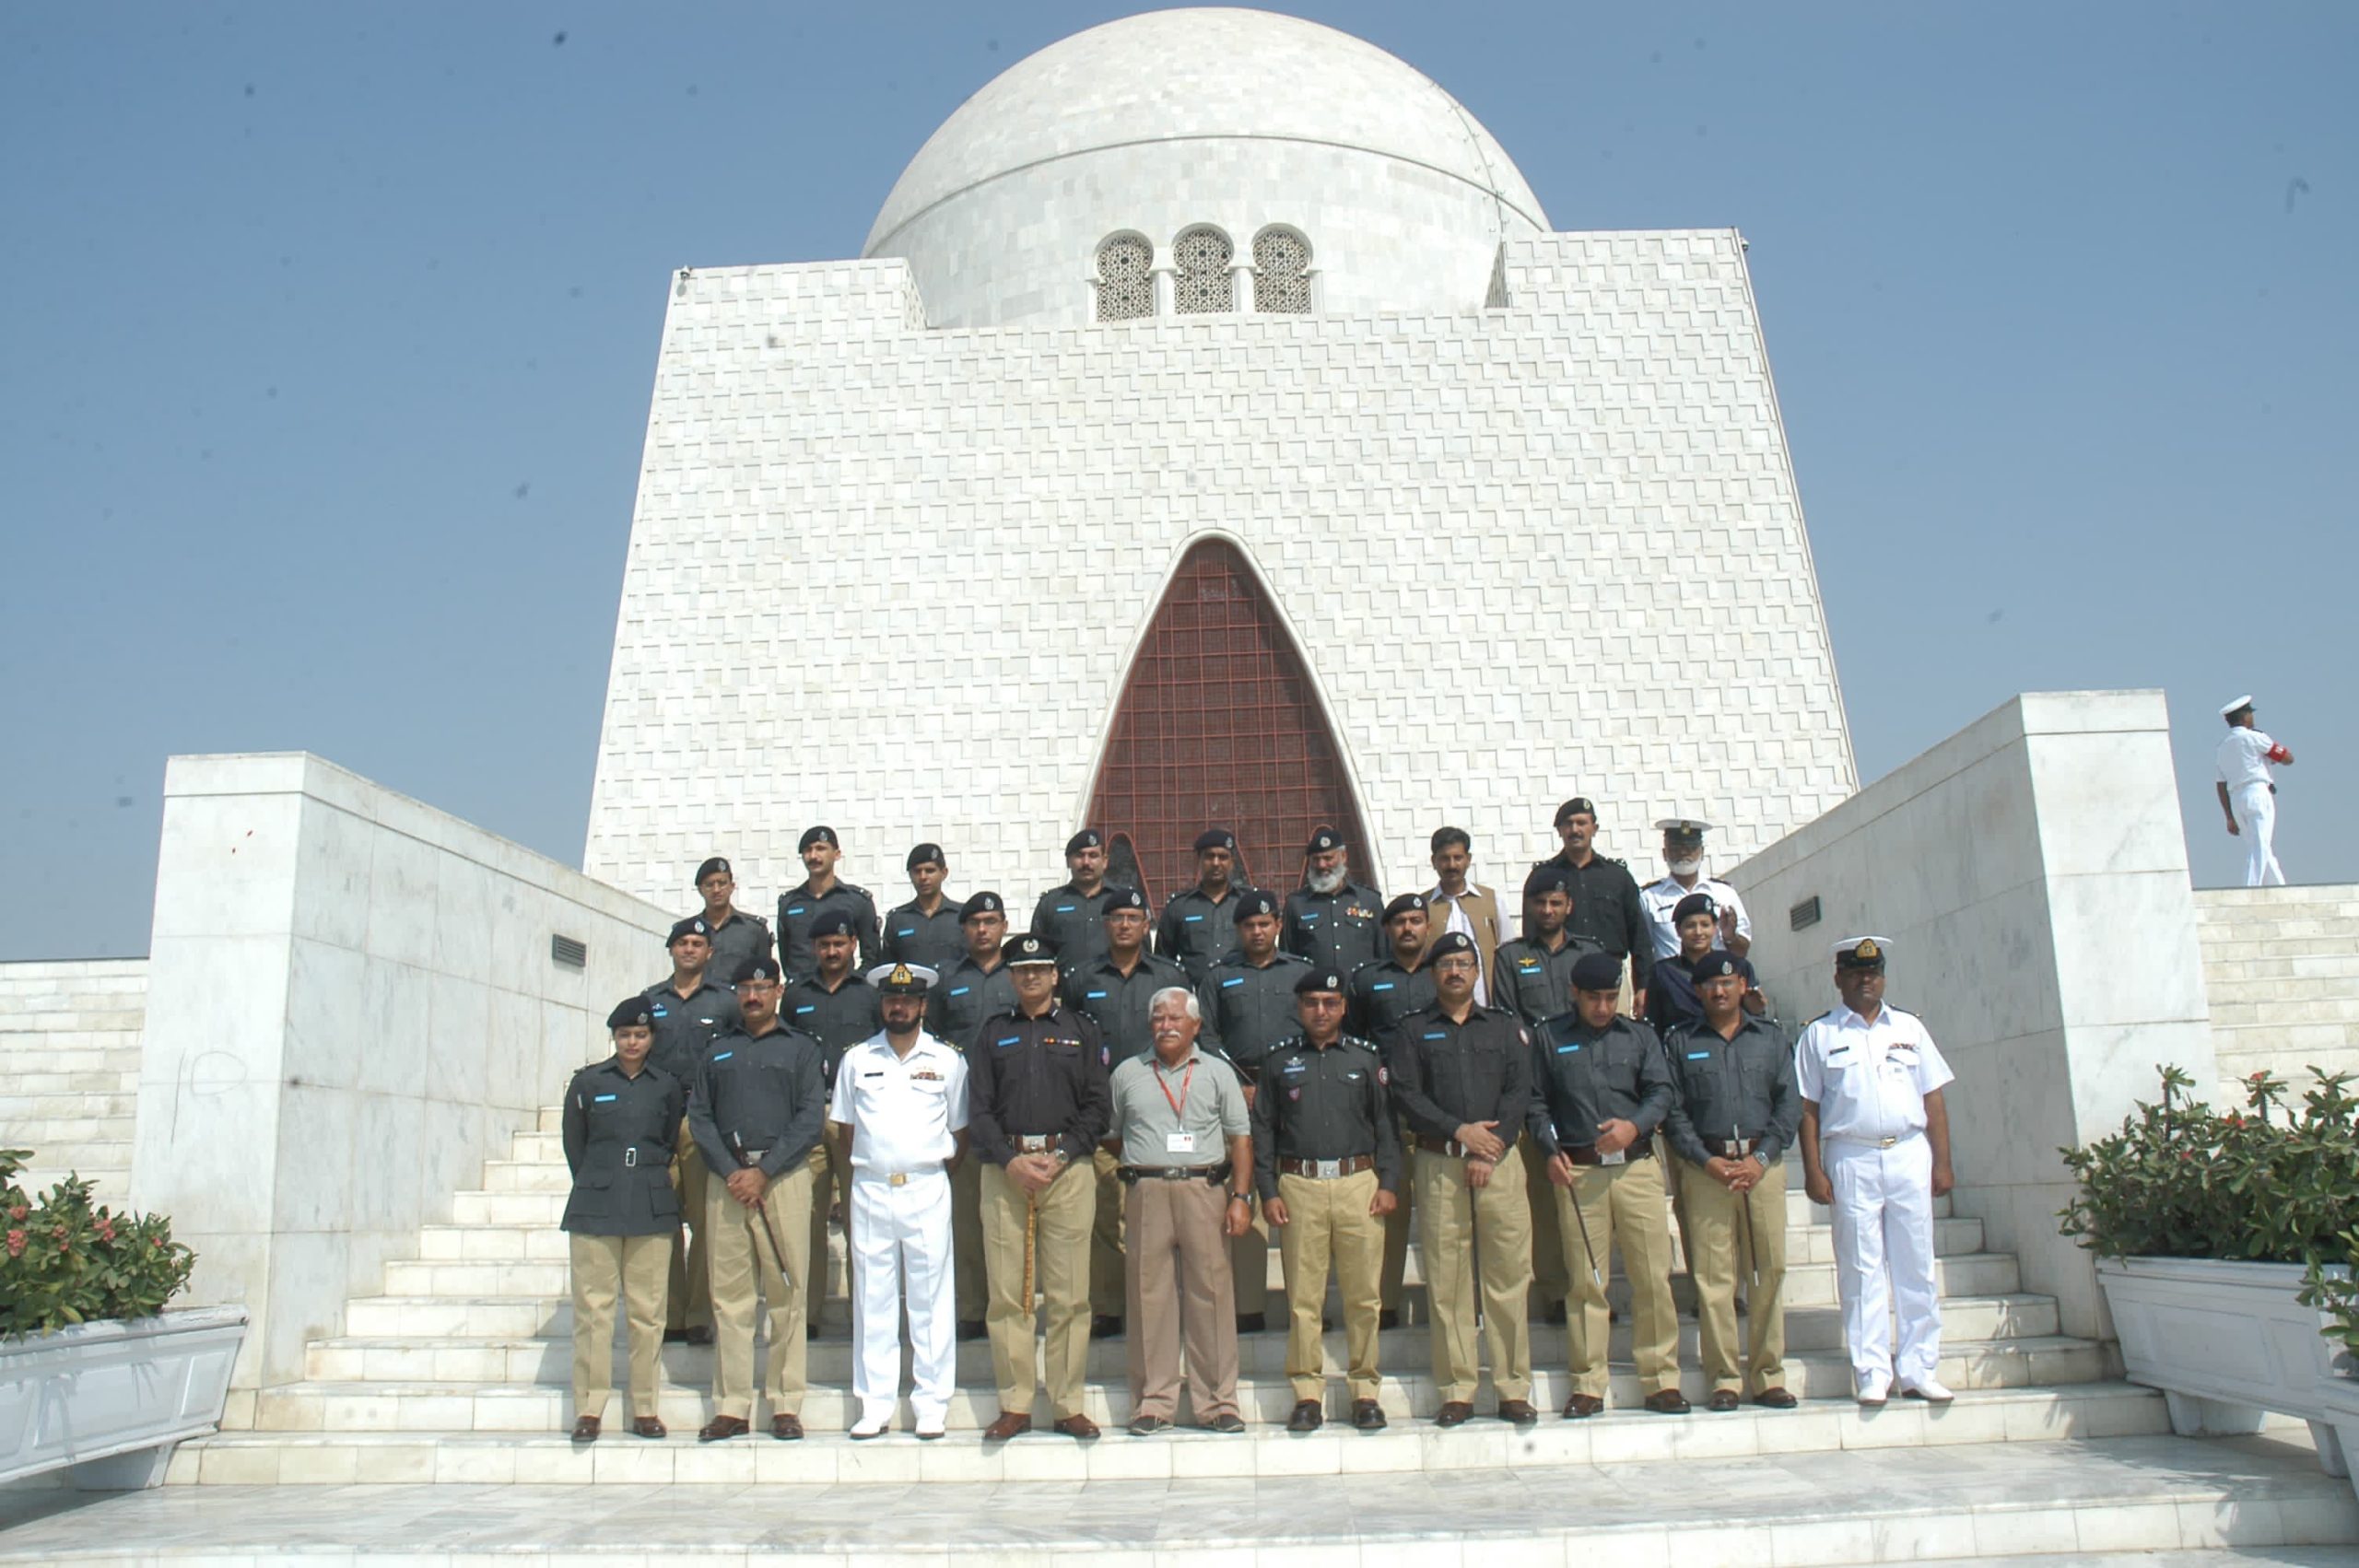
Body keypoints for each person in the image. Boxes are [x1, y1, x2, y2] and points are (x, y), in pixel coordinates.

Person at [1795, 937, 1957, 1407]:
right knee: (1861, 1267)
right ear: (1838, 979)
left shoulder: (1909, 1028)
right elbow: (1807, 1108)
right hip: (1851, 1154)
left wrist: (1943, 1161)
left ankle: (1919, 1369)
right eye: (1855, 973)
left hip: (1908, 1151)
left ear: (1883, 977)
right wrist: (1813, 1169)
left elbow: (1933, 1098)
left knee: (1916, 1264)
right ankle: (1871, 1371)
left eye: (1873, 973)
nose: (1865, 981)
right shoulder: (1820, 1035)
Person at [1385, 931, 1538, 1427]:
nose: (1455, 972)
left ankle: (1513, 1387)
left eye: (1464, 963)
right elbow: (1407, 1093)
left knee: (1507, 1275)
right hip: (1440, 1162)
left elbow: (1519, 1090)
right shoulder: (1413, 1030)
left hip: (1500, 1161)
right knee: (1447, 1280)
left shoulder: (1505, 1027)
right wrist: (1460, 1131)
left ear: (1477, 972)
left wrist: (1490, 1146)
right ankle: (1457, 1388)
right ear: (1433, 974)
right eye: (1446, 964)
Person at [1527, 952, 1687, 1417]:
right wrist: (1548, 1149)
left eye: (1610, 997)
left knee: (1652, 1277)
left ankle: (1660, 1379)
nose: (1602, 1007)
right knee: (1585, 1282)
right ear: (1574, 994)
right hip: (1579, 1171)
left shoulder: (1639, 1036)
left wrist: (1634, 1127)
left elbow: (1662, 1091)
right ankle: (1588, 1383)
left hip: (1635, 1167)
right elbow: (1535, 1102)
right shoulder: (1550, 1037)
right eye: (1593, 998)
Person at [968, 933, 1111, 1441]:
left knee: (1070, 1295)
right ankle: (1016, 1403)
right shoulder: (993, 1033)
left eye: (1040, 969)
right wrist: (1010, 1161)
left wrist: (1062, 1154)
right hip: (1005, 1172)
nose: (1031, 977)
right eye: (1022, 971)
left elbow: (1098, 1105)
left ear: (1054, 975)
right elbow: (978, 1109)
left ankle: (1067, 1403)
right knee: (1009, 1295)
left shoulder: (1081, 1031)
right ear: (1011, 978)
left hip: (1066, 1171)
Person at [1252, 966, 1402, 1432]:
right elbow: (1263, 1131)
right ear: (1299, 1008)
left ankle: (1365, 1390)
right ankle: (1307, 1392)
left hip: (1359, 1184)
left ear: (1344, 1008)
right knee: (1304, 1299)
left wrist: (1388, 1183)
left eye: (1330, 1003)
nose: (1321, 1011)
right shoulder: (1279, 1061)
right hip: (1300, 1186)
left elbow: (1386, 1126)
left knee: (1364, 1296)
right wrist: (1268, 1190)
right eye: (1312, 1003)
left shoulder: (1365, 1058)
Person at [687, 956, 827, 1441]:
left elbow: (810, 1118)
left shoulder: (801, 1049)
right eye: (745, 987)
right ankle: (732, 1406)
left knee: (788, 1294)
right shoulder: (717, 1050)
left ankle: (785, 1404)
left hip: (782, 1179)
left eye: (762, 987)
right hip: (727, 1182)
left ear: (779, 991)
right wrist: (733, 1172)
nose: (753, 996)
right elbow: (700, 1117)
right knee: (730, 1298)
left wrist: (764, 1172)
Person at [827, 962, 968, 1439]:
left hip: (927, 1186)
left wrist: (924, 1168)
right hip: (871, 1187)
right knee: (873, 1298)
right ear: (882, 1004)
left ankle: (932, 1402)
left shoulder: (947, 1060)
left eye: (908, 1000)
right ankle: (875, 1403)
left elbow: (960, 1130)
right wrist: (880, 1166)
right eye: (891, 999)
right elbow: (846, 1129)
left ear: (923, 1005)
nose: (899, 1006)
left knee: (931, 1297)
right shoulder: (857, 1059)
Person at [1106, 986, 1254, 1435]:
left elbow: (1240, 1139)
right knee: (1148, 1295)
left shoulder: (1218, 1073)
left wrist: (1240, 1197)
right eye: (1158, 1018)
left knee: (1211, 1293)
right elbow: (1113, 1135)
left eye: (1175, 1018)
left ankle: (1218, 1402)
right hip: (1147, 1190)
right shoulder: (1128, 1073)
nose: (1166, 1026)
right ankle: (1153, 1401)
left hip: (1203, 1189)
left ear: (1196, 1025)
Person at [1661, 953, 1801, 1411]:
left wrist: (1761, 1158)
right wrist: (1705, 1161)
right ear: (1697, 991)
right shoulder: (1680, 1041)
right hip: (1707, 1170)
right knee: (1712, 1278)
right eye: (1709, 985)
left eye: (1728, 983)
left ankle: (1768, 1374)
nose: (1719, 992)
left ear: (1743, 986)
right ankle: (1723, 1378)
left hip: (1762, 1167)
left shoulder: (1771, 1038)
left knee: (1768, 1271)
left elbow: (1789, 1104)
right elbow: (1673, 1111)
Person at [1064, 885, 1191, 1337]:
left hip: (1159, 1109)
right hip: (1101, 1110)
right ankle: (1109, 1306)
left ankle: (1161, 1303)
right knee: (1105, 1213)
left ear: (1145, 925)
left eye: (1133, 918)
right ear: (1105, 925)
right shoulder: (1082, 978)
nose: (1124, 925)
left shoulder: (1169, 976)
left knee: (1162, 1213)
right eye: (1116, 918)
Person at [561, 997, 685, 1442]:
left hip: (649, 1203)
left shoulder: (666, 1086)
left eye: (641, 1035)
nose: (632, 1042)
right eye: (625, 1035)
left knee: (647, 1313)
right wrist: (599, 1180)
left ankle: (645, 1407)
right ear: (614, 1037)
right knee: (593, 1312)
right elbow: (575, 1144)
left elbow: (668, 1140)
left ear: (652, 1038)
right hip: (596, 1203)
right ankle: (589, 1407)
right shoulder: (589, 1082)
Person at [1195, 887, 1311, 1331]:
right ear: (1238, 929)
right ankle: (1248, 1307)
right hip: (1238, 1094)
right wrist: (1236, 1086)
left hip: (1295, 1093)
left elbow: (1316, 1028)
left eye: (1265, 924)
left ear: (1278, 925)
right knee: (1243, 1192)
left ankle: (1307, 1304)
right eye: (1249, 925)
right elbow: (1207, 1037)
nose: (1258, 931)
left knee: (1299, 1196)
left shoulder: (1301, 972)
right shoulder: (1219, 976)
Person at [1490, 863, 1598, 1328]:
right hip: (1535, 1084)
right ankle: (1555, 1289)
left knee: (1589, 1191)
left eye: (1556, 902)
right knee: (1544, 1190)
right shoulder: (1511, 957)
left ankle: (1591, 1287)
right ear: (1529, 908)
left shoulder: (1589, 953)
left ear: (1569, 906)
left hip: (1584, 1086)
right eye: (1540, 903)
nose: (1548, 910)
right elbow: (1509, 1019)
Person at [782, 910, 883, 1330]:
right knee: (806, 1221)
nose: (832, 951)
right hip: (808, 1116)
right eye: (824, 945)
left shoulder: (870, 992)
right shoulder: (796, 994)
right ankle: (805, 1315)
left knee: (862, 1220)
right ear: (813, 948)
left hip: (857, 1118)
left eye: (839, 944)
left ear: (853, 945)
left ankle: (864, 1317)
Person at [642, 918, 739, 1345]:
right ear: (671, 949)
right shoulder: (651, 1001)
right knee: (663, 1220)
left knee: (703, 1221)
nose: (688, 949)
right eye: (681, 942)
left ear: (710, 952)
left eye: (697, 943)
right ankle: (671, 1314)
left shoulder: (726, 1002)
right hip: (659, 1122)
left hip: (703, 1123)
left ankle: (699, 1314)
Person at [925, 889, 1015, 1339]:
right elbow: (933, 1039)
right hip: (960, 1113)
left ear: (1004, 927)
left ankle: (1010, 1305)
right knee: (965, 1217)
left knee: (1008, 1220)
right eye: (975, 922)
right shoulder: (947, 979)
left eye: (991, 922)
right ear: (963, 929)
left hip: (1012, 1109)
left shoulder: (1018, 974)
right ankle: (973, 1308)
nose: (983, 929)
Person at [1349, 893, 1437, 1328]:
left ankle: (1446, 1304)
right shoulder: (1368, 979)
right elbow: (1354, 1040)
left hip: (1438, 1110)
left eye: (1416, 920)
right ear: (1386, 929)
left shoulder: (1445, 972)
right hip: (1386, 1111)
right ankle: (1385, 1303)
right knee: (1389, 1209)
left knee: (1443, 1216)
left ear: (1428, 927)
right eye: (1400, 922)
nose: (1408, 928)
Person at [1541, 798, 1654, 1016]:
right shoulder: (1544, 877)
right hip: (1562, 978)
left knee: (1617, 1036)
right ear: (1559, 831)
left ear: (1594, 828)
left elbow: (1639, 937)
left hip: (1611, 978)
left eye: (1582, 823)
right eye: (1568, 824)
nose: (1575, 830)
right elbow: (1532, 937)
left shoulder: (1617, 876)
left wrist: (1644, 986)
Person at [1645, 893, 1766, 1039]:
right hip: (1683, 1046)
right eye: (1690, 926)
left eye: (1705, 925)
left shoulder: (1738, 967)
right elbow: (1654, 1026)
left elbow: (1757, 1021)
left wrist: (1755, 1008)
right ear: (1678, 930)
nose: (1698, 932)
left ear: (1715, 928)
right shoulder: (1663, 973)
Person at [776, 826, 881, 981]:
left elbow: (872, 957)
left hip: (844, 991)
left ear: (837, 854)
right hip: (801, 990)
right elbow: (786, 958)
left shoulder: (857, 901)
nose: (813, 856)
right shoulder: (789, 903)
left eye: (821, 848)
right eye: (807, 850)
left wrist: (854, 985)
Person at [1638, 819, 1752, 961]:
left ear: (1702, 852)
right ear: (1664, 853)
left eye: (1691, 847)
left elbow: (1742, 951)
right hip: (1671, 974)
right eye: (1675, 847)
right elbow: (1641, 950)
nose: (1683, 852)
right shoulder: (1650, 897)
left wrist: (1730, 938)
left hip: (1716, 974)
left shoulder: (1724, 893)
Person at [1283, 825, 1385, 977]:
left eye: (1328, 858)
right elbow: (1288, 959)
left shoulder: (1370, 900)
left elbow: (1384, 954)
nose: (1321, 865)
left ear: (1343, 856)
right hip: (1315, 991)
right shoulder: (1296, 904)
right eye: (1316, 859)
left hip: (1361, 990)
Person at [1424, 827, 1509, 1005]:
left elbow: (1508, 952)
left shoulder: (1491, 901)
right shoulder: (1423, 907)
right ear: (1434, 861)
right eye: (1445, 859)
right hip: (1437, 1007)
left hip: (1488, 1006)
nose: (1452, 865)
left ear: (1468, 859)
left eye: (1458, 858)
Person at [2216, 696, 2294, 888]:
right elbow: (2288, 758)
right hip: (2257, 793)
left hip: (2236, 800)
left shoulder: (2222, 747)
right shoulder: (2255, 737)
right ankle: (2250, 889)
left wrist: (2229, 816)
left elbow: (2220, 784)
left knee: (2261, 846)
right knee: (2260, 845)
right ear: (2245, 717)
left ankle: (2280, 889)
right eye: (2250, 714)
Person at [1156, 828, 1251, 983]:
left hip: (1241, 990)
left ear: (1232, 862)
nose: (1216, 863)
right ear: (1199, 860)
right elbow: (1163, 961)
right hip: (1194, 992)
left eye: (1223, 857)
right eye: (1209, 856)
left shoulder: (1247, 903)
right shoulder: (1179, 907)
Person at [1033, 828, 1123, 977]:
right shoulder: (1050, 903)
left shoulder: (1122, 901)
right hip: (1064, 988)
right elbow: (1037, 954)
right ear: (1068, 861)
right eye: (1079, 856)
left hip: (1115, 986)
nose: (1086, 862)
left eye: (1093, 855)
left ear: (1105, 861)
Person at [883, 843, 968, 975]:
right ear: (910, 875)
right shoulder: (897, 920)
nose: (923, 877)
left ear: (944, 873)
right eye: (917, 871)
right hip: (911, 987)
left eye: (930, 870)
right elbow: (887, 968)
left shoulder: (963, 916)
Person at [691, 856, 773, 987]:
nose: (716, 890)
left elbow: (765, 977)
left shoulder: (754, 929)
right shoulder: (689, 932)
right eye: (709, 885)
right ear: (700, 890)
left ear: (732, 886)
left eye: (722, 883)